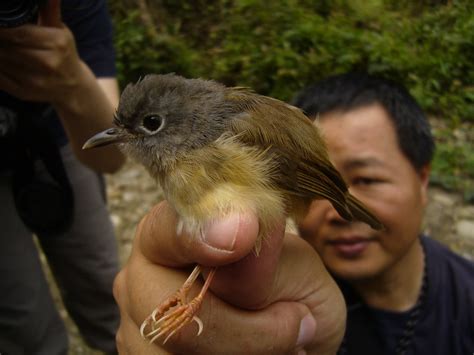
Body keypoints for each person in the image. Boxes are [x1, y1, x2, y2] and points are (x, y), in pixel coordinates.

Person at [112, 73, 474, 355]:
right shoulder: (191, 155)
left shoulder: (228, 140)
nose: (337, 218)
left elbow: (291, 188)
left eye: (370, 177)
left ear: (423, 179)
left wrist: (337, 194)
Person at [0, 0, 124, 354]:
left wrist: (71, 80)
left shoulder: (67, 5)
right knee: (19, 316)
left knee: (104, 284)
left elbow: (113, 157)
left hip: (61, 141)